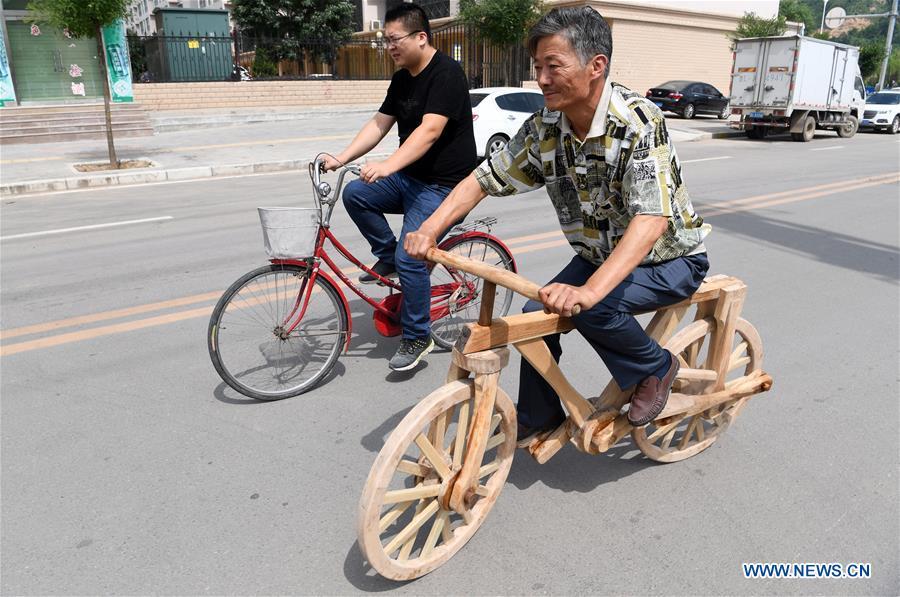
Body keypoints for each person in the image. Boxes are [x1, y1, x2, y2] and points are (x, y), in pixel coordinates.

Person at [404, 6, 711, 441]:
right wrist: (430, 229)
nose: (542, 79)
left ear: (596, 66)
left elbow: (650, 220)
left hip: (670, 259)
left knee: (593, 307)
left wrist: (588, 291)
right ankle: (540, 414)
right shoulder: (544, 126)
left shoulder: (638, 122)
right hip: (599, 254)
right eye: (537, 68)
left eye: (553, 66)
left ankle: (657, 367)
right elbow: (482, 179)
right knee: (534, 316)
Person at [322, 3, 476, 372]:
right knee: (356, 194)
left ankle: (418, 335)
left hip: (444, 186)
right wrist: (341, 158)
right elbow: (379, 124)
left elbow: (430, 131)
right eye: (385, 40)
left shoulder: (447, 73)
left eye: (394, 39)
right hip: (411, 178)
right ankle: (387, 255)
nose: (389, 46)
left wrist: (388, 165)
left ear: (421, 37)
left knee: (412, 255)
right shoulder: (402, 78)